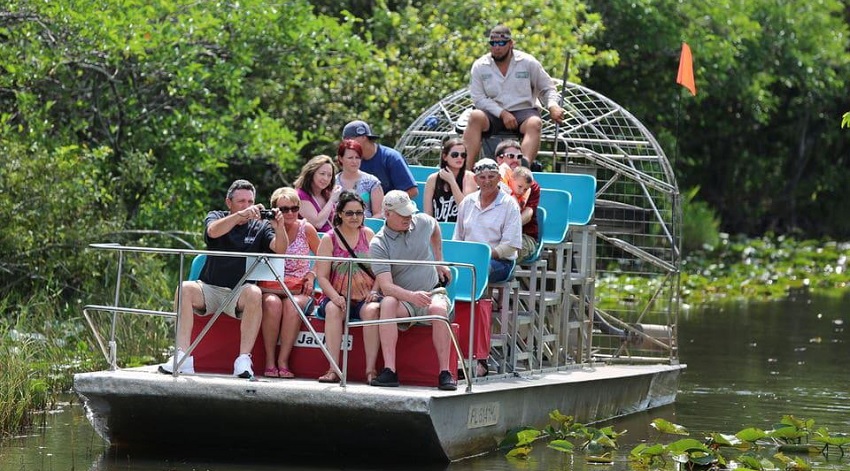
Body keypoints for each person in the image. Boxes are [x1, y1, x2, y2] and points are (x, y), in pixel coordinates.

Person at [158, 179, 288, 378]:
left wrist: (280, 226)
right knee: (183, 288)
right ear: (229, 203)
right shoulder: (216, 216)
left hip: (239, 293)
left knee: (254, 292)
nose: (247, 206)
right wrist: (239, 217)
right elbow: (213, 231)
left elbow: (280, 249)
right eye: (241, 201)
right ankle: (182, 357)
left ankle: (243, 361)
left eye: (250, 202)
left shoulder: (260, 227)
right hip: (209, 288)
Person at [369, 190, 457, 391]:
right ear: (387, 214)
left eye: (409, 212)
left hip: (432, 292)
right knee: (388, 302)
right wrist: (411, 296)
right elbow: (386, 286)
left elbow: (435, 227)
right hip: (404, 300)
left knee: (438, 310)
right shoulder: (378, 243)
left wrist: (439, 260)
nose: (408, 218)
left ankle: (445, 372)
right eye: (402, 214)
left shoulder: (422, 222)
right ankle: (390, 370)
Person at [462, 25, 565, 170]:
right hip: (492, 113)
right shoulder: (480, 65)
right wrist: (502, 114)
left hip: (523, 111)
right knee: (475, 116)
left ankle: (522, 169)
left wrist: (552, 106)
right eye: (493, 43)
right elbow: (478, 98)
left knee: (535, 123)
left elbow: (547, 88)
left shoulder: (528, 62)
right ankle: (465, 172)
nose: (496, 47)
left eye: (501, 43)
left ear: (511, 43)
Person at [314, 191, 381, 383]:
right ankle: (333, 368)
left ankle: (370, 370)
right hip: (337, 294)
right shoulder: (329, 239)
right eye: (350, 213)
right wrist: (335, 296)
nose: (355, 217)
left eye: (359, 213)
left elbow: (380, 269)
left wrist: (375, 290)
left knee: (372, 311)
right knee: (333, 310)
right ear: (340, 214)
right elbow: (322, 276)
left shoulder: (369, 235)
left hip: (367, 295)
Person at [259, 187, 321, 378]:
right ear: (275, 210)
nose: (290, 213)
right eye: (284, 209)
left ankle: (283, 361)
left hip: (299, 288)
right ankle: (269, 360)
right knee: (272, 304)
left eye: (294, 208)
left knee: (292, 306)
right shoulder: (264, 228)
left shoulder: (306, 228)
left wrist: (312, 274)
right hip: (272, 286)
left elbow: (323, 257)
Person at [454, 158, 522, 283]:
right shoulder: (467, 202)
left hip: (501, 262)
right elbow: (458, 237)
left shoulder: (509, 204)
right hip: (469, 258)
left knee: (478, 270)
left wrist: (483, 254)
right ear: (476, 180)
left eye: (491, 176)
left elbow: (511, 245)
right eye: (482, 177)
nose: (487, 181)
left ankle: (480, 302)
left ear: (499, 178)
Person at [342, 120, 418, 198]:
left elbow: (411, 191)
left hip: (393, 208)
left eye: (349, 139)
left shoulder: (391, 158)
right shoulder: (353, 161)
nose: (347, 144)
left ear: (363, 137)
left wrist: (384, 205)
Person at [494, 139, 541, 261]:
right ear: (499, 159)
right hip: (492, 234)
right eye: (511, 156)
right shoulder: (488, 181)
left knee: (500, 253)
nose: (516, 159)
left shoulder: (530, 185)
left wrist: (508, 229)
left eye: (519, 156)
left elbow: (528, 214)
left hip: (523, 236)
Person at [423, 137, 477, 222]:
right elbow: (428, 214)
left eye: (463, 155)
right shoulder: (432, 179)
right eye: (455, 155)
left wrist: (452, 182)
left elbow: (465, 209)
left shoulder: (470, 177)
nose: (459, 158)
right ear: (445, 157)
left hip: (461, 231)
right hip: (438, 231)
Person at [335, 139, 384, 218]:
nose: (354, 161)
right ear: (341, 158)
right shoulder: (332, 182)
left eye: (357, 157)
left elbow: (379, 213)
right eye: (350, 158)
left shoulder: (372, 182)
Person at [294, 154, 342, 233]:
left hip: (330, 240)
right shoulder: (300, 195)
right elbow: (317, 223)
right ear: (312, 173)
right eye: (322, 173)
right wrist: (332, 200)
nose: (325, 178)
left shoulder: (327, 194)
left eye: (329, 175)